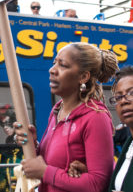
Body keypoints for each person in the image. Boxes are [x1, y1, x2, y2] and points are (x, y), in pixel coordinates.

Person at [14, 42, 119, 192]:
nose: (52, 70)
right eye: (54, 63)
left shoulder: (96, 117)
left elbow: (98, 184)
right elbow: (54, 164)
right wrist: (33, 146)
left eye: (62, 65)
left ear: (83, 77)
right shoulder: (57, 111)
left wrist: (45, 172)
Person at [0, 104, 23, 192]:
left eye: (8, 123)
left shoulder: (21, 137)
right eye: (3, 125)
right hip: (9, 178)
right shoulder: (9, 139)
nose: (5, 127)